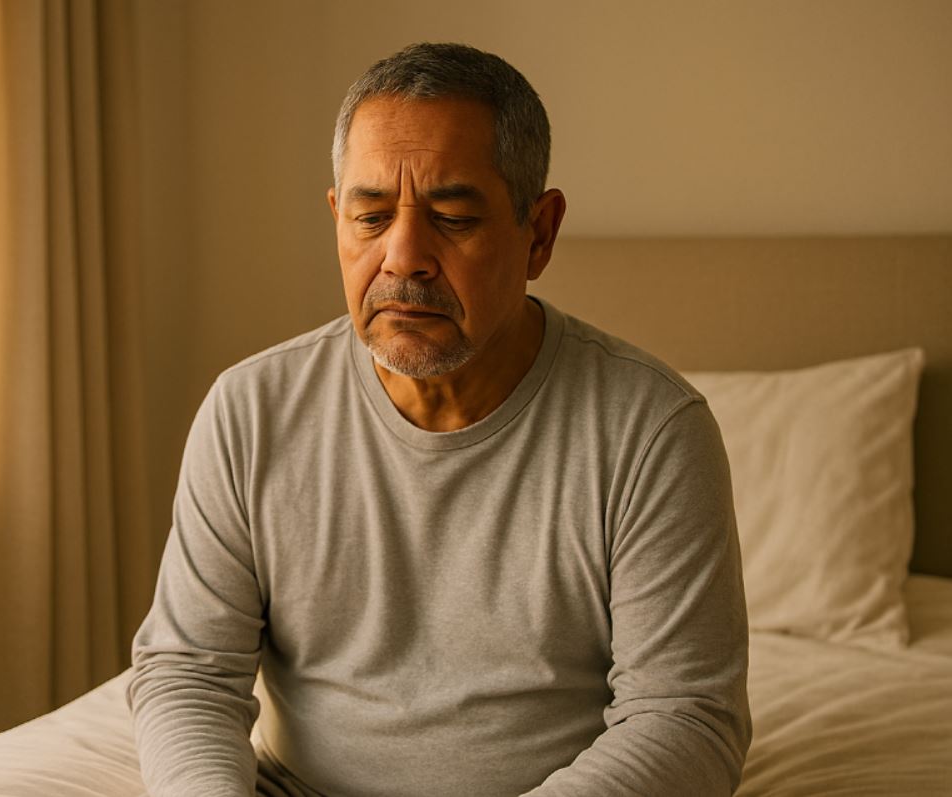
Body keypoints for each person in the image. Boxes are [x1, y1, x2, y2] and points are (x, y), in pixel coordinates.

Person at [128, 42, 750, 796]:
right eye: (370, 216)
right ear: (337, 218)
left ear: (539, 233)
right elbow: (188, 673)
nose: (402, 257)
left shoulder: (650, 429)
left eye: (452, 217)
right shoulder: (249, 411)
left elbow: (683, 715)